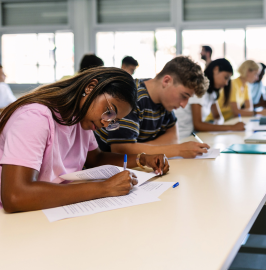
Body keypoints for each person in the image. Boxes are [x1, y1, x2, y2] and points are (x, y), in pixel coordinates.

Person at [0, 67, 169, 213]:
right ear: (90, 87)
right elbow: (15, 195)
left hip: (51, 209)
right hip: (17, 221)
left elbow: (96, 158)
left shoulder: (80, 118)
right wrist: (103, 188)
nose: (105, 123)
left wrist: (142, 158)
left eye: (113, 121)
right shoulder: (35, 118)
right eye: (109, 111)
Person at [94, 56, 210, 158]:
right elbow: (121, 149)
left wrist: (139, 148)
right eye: (184, 96)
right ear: (166, 81)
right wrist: (178, 150)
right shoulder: (132, 96)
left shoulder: (165, 102)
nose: (184, 105)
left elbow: (173, 137)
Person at [175, 59, 245, 139]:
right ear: (216, 69)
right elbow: (198, 124)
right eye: (225, 78)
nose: (226, 83)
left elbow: (218, 116)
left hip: (194, 136)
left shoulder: (211, 92)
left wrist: (217, 126)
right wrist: (232, 127)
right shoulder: (200, 89)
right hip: (183, 137)